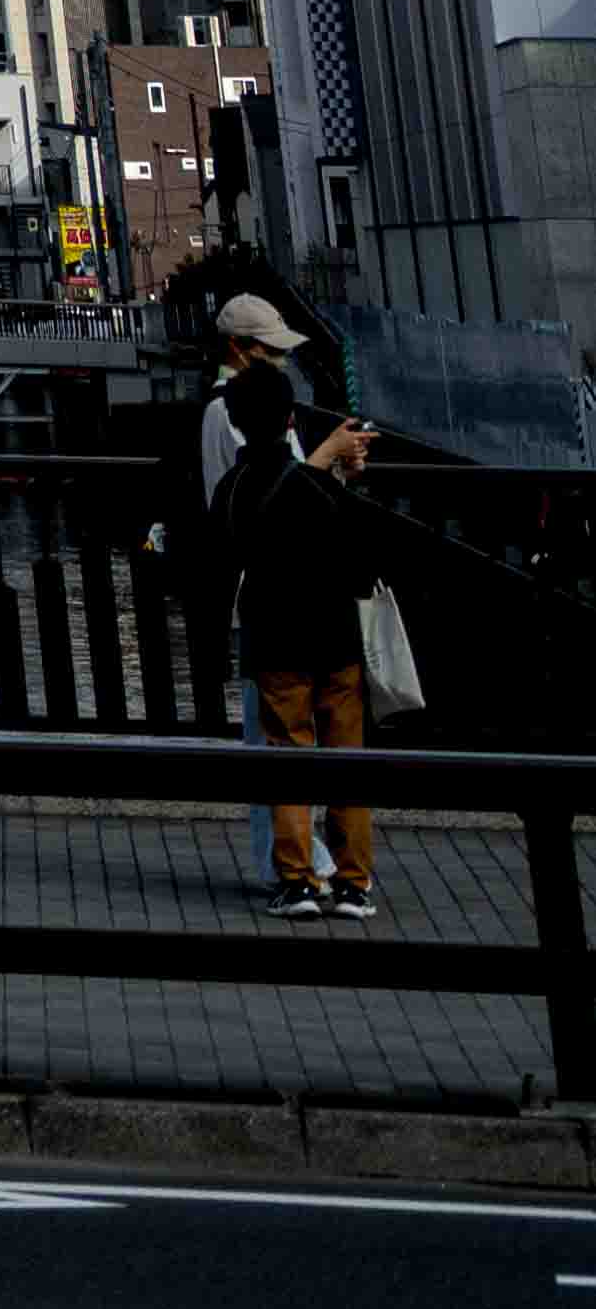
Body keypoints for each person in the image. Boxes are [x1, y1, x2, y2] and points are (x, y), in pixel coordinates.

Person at [212, 342, 385, 922]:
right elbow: (359, 556)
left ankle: (298, 880)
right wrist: (341, 471)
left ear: (235, 423)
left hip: (275, 640)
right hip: (335, 638)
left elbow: (238, 544)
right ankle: (355, 883)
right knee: (347, 760)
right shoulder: (312, 485)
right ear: (291, 419)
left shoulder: (232, 490)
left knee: (288, 760)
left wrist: (327, 464)